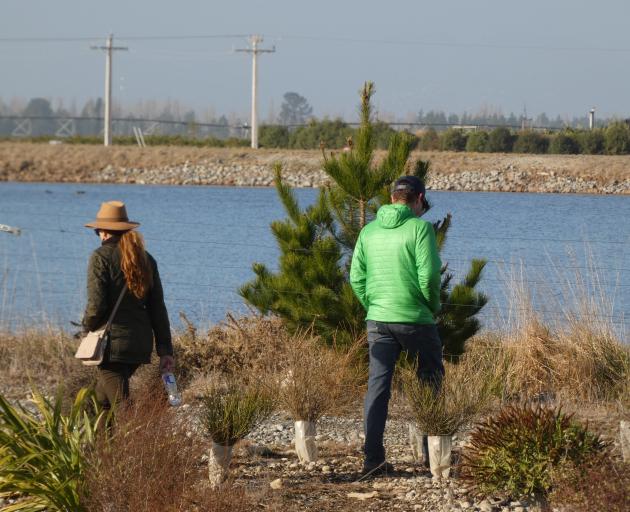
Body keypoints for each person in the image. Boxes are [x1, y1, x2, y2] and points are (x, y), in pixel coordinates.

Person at [350, 175, 444, 477]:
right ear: (418, 199)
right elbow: (429, 277)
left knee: (378, 388)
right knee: (430, 381)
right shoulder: (420, 229)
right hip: (416, 318)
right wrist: (431, 306)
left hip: (378, 320)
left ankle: (373, 460)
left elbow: (356, 278)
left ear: (392, 198)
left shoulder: (368, 231)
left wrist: (373, 305)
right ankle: (434, 460)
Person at [82, 200, 174, 411]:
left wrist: (86, 328)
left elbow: (96, 305)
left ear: (104, 233)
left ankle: (135, 443)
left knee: (122, 407)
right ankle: (102, 445)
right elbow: (157, 307)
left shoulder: (100, 257)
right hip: (140, 342)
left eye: (97, 231)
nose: (98, 235)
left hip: (111, 345)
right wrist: (165, 350)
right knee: (101, 401)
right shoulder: (146, 259)